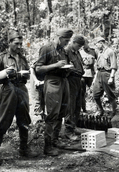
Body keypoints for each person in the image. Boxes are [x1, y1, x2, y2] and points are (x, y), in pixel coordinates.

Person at [0, 30, 39, 166]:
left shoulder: (23, 58)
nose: (20, 46)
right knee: (2, 121)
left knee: (24, 120)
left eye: (21, 44)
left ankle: (24, 149)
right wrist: (5, 73)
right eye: (16, 43)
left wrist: (26, 74)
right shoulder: (1, 57)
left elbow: (27, 73)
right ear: (9, 43)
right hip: (8, 90)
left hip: (21, 89)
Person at [35, 28, 73, 156]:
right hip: (52, 82)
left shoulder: (63, 50)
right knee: (52, 114)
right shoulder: (46, 48)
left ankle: (55, 140)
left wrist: (68, 67)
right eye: (66, 40)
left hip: (63, 81)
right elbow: (38, 68)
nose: (67, 43)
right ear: (59, 37)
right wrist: (55, 65)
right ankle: (48, 146)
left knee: (62, 111)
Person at [64, 36, 85, 140]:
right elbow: (65, 67)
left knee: (78, 104)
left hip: (78, 80)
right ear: (73, 42)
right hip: (71, 79)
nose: (79, 48)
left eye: (81, 46)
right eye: (78, 45)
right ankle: (68, 130)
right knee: (70, 105)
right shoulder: (67, 51)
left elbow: (80, 64)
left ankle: (73, 125)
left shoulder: (77, 52)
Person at [93, 36, 117, 118]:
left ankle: (114, 113)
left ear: (101, 43)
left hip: (107, 74)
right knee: (95, 94)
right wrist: (95, 78)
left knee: (111, 95)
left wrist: (111, 77)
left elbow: (114, 66)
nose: (96, 46)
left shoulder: (110, 52)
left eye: (97, 44)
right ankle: (101, 110)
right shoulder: (99, 52)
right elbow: (97, 66)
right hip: (99, 74)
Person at [80, 39, 97, 113]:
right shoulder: (79, 52)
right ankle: (84, 109)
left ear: (88, 43)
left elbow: (99, 59)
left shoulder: (93, 51)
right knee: (82, 92)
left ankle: (97, 108)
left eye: (85, 44)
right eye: (82, 44)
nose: (83, 46)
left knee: (95, 91)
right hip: (83, 74)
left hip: (91, 74)